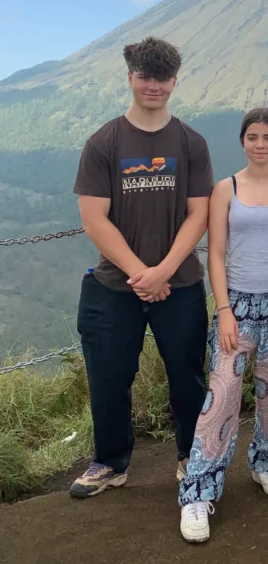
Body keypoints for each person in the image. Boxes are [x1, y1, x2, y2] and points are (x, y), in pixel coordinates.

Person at [70, 37, 213, 498]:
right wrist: (142, 274)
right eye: (145, 76)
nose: (154, 86)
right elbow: (94, 218)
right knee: (108, 377)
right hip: (115, 285)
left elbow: (199, 213)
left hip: (181, 283)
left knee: (187, 374)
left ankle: (192, 455)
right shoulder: (104, 143)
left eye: (162, 77)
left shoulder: (190, 142)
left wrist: (164, 271)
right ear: (130, 78)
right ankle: (110, 462)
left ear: (174, 81)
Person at [179, 107, 268, 543]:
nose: (261, 144)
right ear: (243, 141)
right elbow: (214, 253)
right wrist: (225, 308)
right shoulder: (225, 189)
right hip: (239, 307)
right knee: (222, 397)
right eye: (253, 137)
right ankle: (197, 490)